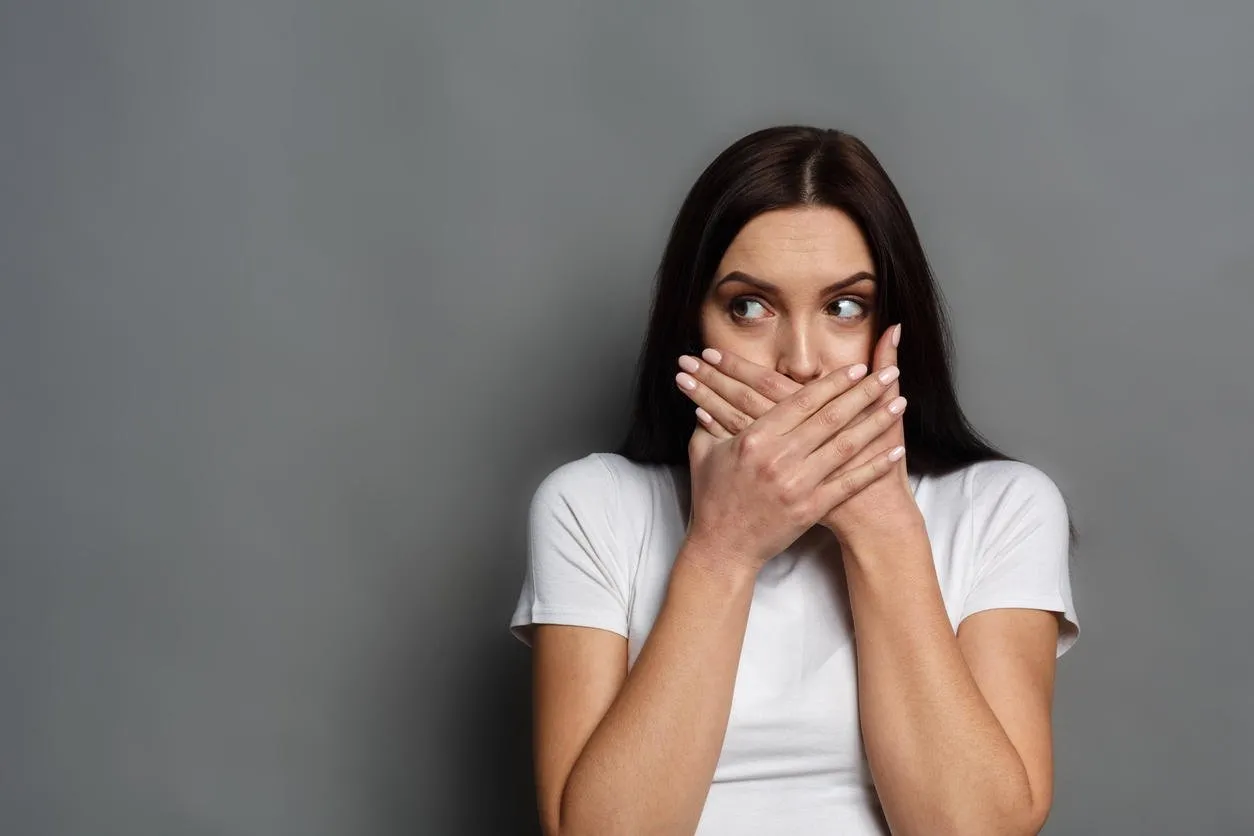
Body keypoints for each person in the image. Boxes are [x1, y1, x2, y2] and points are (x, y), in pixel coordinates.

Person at [509, 125, 1080, 836]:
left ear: (893, 326)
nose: (801, 362)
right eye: (750, 306)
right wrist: (722, 548)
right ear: (693, 326)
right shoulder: (592, 506)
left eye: (845, 307)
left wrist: (883, 526)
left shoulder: (1004, 508)